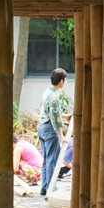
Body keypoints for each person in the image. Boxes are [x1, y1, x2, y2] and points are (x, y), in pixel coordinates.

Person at [38, 67, 72, 196]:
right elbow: (55, 117)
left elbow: (49, 112)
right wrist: (61, 135)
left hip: (41, 127)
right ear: (61, 81)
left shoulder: (47, 92)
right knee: (53, 159)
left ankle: (44, 186)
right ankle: (51, 187)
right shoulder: (54, 96)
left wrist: (65, 116)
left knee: (47, 159)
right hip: (49, 129)